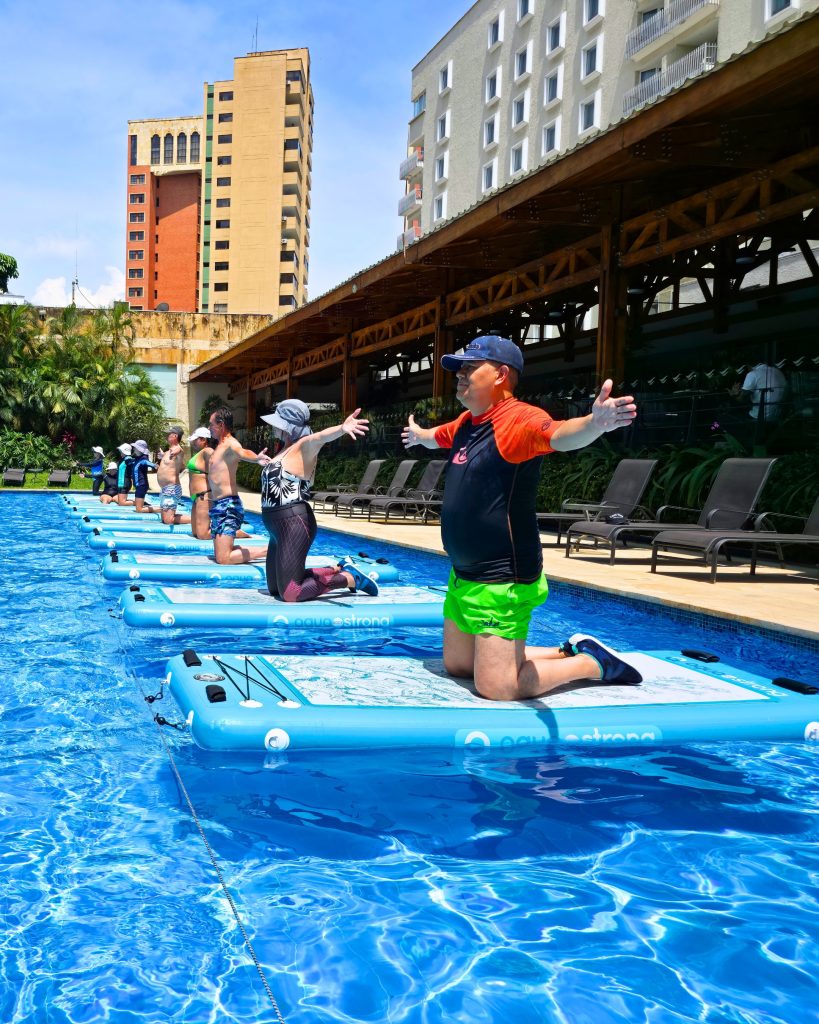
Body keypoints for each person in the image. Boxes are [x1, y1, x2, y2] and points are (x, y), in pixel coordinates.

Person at [401, 334, 641, 702]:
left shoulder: (518, 420)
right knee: (459, 667)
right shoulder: (468, 423)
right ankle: (566, 651)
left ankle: (591, 663)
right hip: (465, 574)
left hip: (502, 576)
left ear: (500, 375)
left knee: (497, 687)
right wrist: (419, 435)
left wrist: (596, 424)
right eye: (459, 370)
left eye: (469, 368)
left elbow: (560, 435)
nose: (459, 376)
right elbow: (437, 436)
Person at [259, 398, 378, 601]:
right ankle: (337, 568)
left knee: (291, 593)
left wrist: (342, 428)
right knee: (275, 589)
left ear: (287, 426)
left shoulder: (304, 445)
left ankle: (349, 578)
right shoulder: (284, 449)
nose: (273, 428)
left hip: (293, 523)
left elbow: (320, 437)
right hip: (276, 527)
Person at [207, 406, 272, 564]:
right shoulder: (219, 446)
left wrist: (256, 458)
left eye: (211, 425)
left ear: (221, 425)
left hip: (227, 506)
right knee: (219, 555)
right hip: (218, 505)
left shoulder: (231, 443)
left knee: (224, 559)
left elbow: (242, 452)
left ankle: (272, 549)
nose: (209, 429)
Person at [156, 427, 191, 526]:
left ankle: (197, 520)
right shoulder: (168, 452)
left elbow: (179, 450)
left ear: (175, 436)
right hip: (164, 489)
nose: (166, 436)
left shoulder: (178, 450)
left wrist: (177, 449)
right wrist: (163, 456)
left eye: (169, 434)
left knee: (169, 520)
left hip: (171, 488)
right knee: (164, 519)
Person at [186, 426, 215, 540]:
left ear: (203, 439)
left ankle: (232, 531)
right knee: (195, 533)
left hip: (204, 495)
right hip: (196, 497)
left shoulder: (207, 451)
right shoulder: (199, 453)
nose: (193, 442)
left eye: (195, 439)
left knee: (202, 535)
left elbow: (216, 460)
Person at [130, 440, 156, 513]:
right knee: (139, 508)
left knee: (139, 509)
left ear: (140, 450)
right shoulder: (137, 459)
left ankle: (162, 510)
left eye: (135, 448)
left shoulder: (143, 460)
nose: (134, 449)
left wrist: (155, 465)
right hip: (140, 486)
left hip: (141, 485)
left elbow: (148, 463)